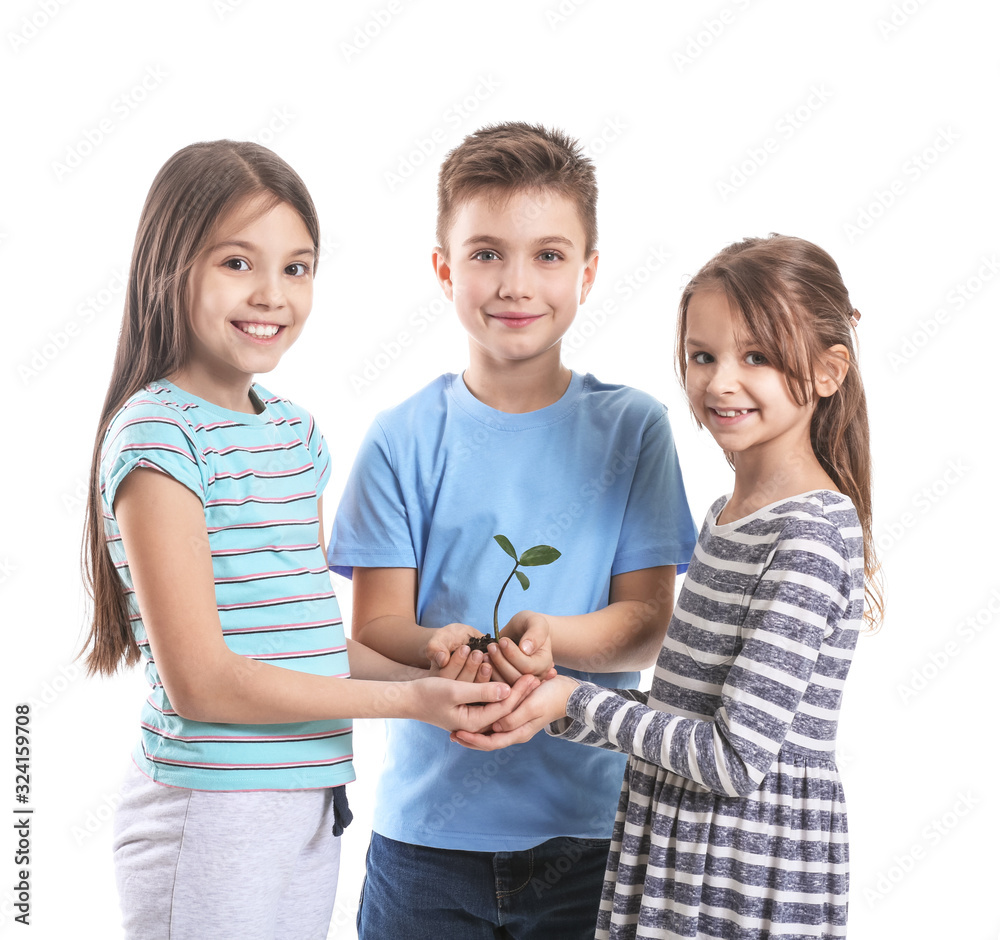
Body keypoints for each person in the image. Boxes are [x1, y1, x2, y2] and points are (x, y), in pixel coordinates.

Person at [78, 140, 534, 940]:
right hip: (212, 815)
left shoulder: (294, 434)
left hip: (308, 809)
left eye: (297, 268)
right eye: (236, 263)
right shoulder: (159, 435)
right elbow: (205, 684)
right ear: (167, 266)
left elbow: (299, 641)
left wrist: (428, 659)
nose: (272, 294)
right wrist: (410, 702)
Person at [327, 122, 699, 939]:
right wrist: (436, 648)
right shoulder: (401, 437)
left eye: (550, 255)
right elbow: (376, 627)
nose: (516, 284)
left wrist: (549, 638)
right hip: (425, 845)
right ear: (444, 269)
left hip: (592, 836)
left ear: (589, 273)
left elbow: (648, 624)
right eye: (487, 252)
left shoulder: (634, 430)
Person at [455, 234, 884, 939]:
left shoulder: (806, 537)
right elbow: (685, 714)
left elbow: (734, 758)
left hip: (741, 877)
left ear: (830, 371)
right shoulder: (727, 517)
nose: (719, 381)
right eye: (702, 355)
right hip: (680, 856)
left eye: (758, 357)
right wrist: (543, 701)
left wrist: (574, 697)